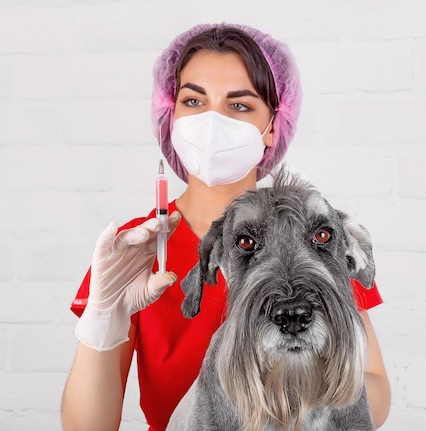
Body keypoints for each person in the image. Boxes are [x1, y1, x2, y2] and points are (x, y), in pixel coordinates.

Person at [61, 23, 391, 431]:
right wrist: (102, 320)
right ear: (172, 114)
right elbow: (87, 427)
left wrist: (303, 392)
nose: (212, 121)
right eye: (194, 100)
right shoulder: (131, 249)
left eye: (239, 106)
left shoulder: (315, 237)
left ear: (272, 125)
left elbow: (375, 386)